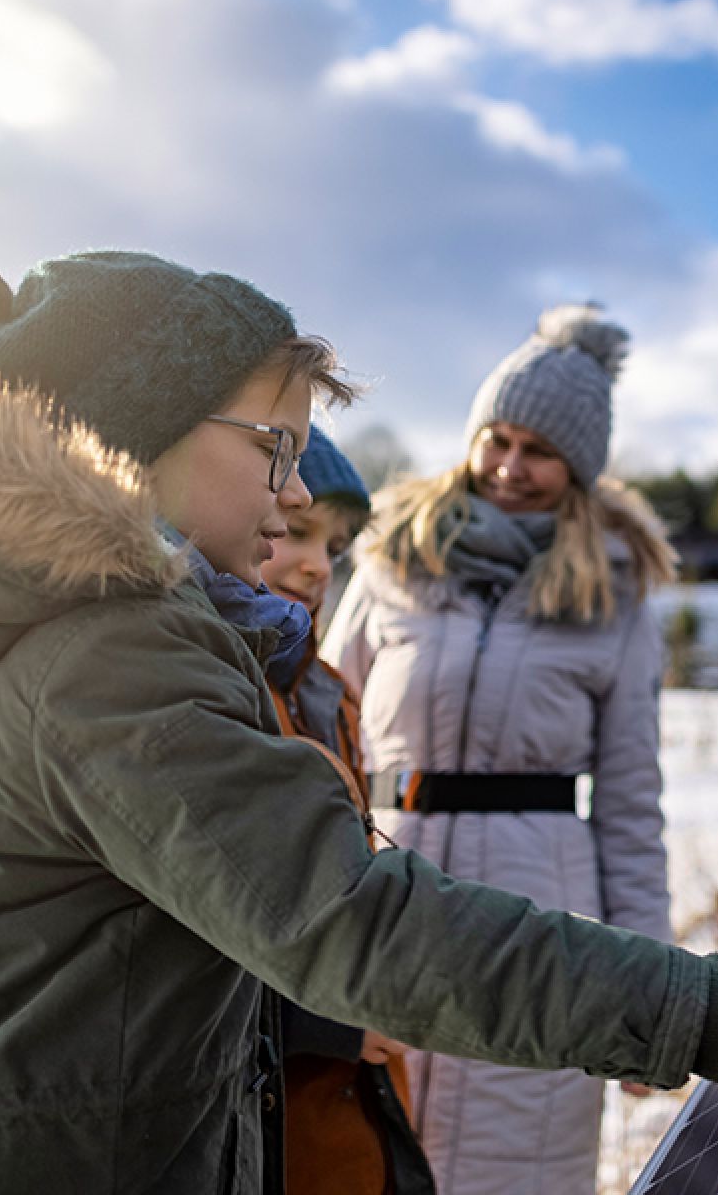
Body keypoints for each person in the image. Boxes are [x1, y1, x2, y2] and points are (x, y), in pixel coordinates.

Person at [0, 250, 718, 1195]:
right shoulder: (104, 654)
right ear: (141, 431)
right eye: (272, 446)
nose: (290, 493)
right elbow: (351, 921)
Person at [319, 305, 670, 1194]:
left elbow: (630, 803)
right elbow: (322, 726)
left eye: (540, 452)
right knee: (360, 1143)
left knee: (516, 1153)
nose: (510, 468)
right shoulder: (394, 559)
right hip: (386, 887)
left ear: (580, 468)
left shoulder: (616, 594)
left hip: (543, 904)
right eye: (498, 439)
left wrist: (648, 994)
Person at [257, 427, 432, 1194]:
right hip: (276, 1118)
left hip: (359, 1105)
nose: (315, 566)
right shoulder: (207, 698)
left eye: (335, 546)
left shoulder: (330, 695)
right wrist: (332, 1023)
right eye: (295, 533)